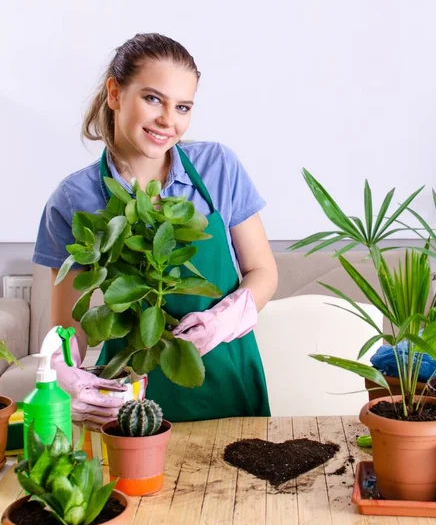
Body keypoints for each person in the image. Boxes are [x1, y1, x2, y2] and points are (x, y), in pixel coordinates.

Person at [33, 33, 278, 427]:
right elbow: (68, 327)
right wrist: (62, 374)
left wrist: (223, 320)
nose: (168, 120)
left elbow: (263, 272)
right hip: (132, 390)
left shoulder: (218, 168)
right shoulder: (74, 198)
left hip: (228, 375)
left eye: (182, 106)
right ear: (115, 93)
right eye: (153, 99)